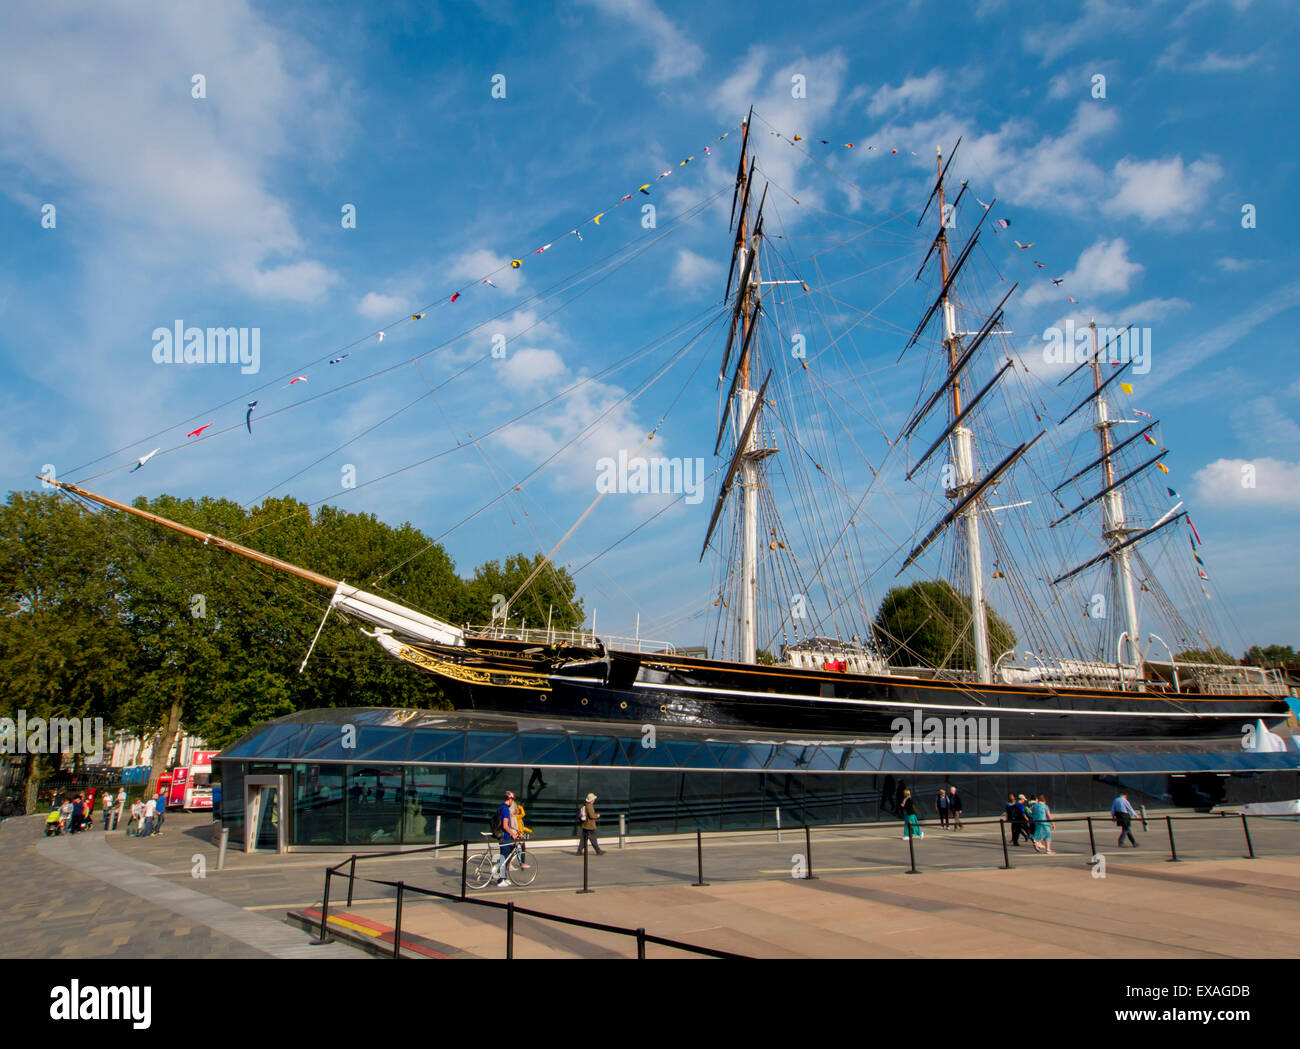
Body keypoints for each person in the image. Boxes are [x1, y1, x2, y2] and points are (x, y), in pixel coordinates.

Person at [493, 790, 518, 886]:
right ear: (510, 799)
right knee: (503, 858)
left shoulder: (501, 808)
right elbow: (505, 826)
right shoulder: (506, 810)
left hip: (502, 836)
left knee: (505, 858)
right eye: (512, 800)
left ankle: (504, 878)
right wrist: (513, 834)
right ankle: (500, 881)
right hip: (505, 837)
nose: (512, 802)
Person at [510, 795, 532, 868]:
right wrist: (521, 807)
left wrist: (528, 830)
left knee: (515, 849)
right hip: (517, 835)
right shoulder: (515, 816)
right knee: (520, 848)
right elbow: (523, 814)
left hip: (518, 834)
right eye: (516, 808)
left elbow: (521, 827)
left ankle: (519, 863)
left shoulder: (516, 817)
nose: (518, 809)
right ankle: (522, 863)